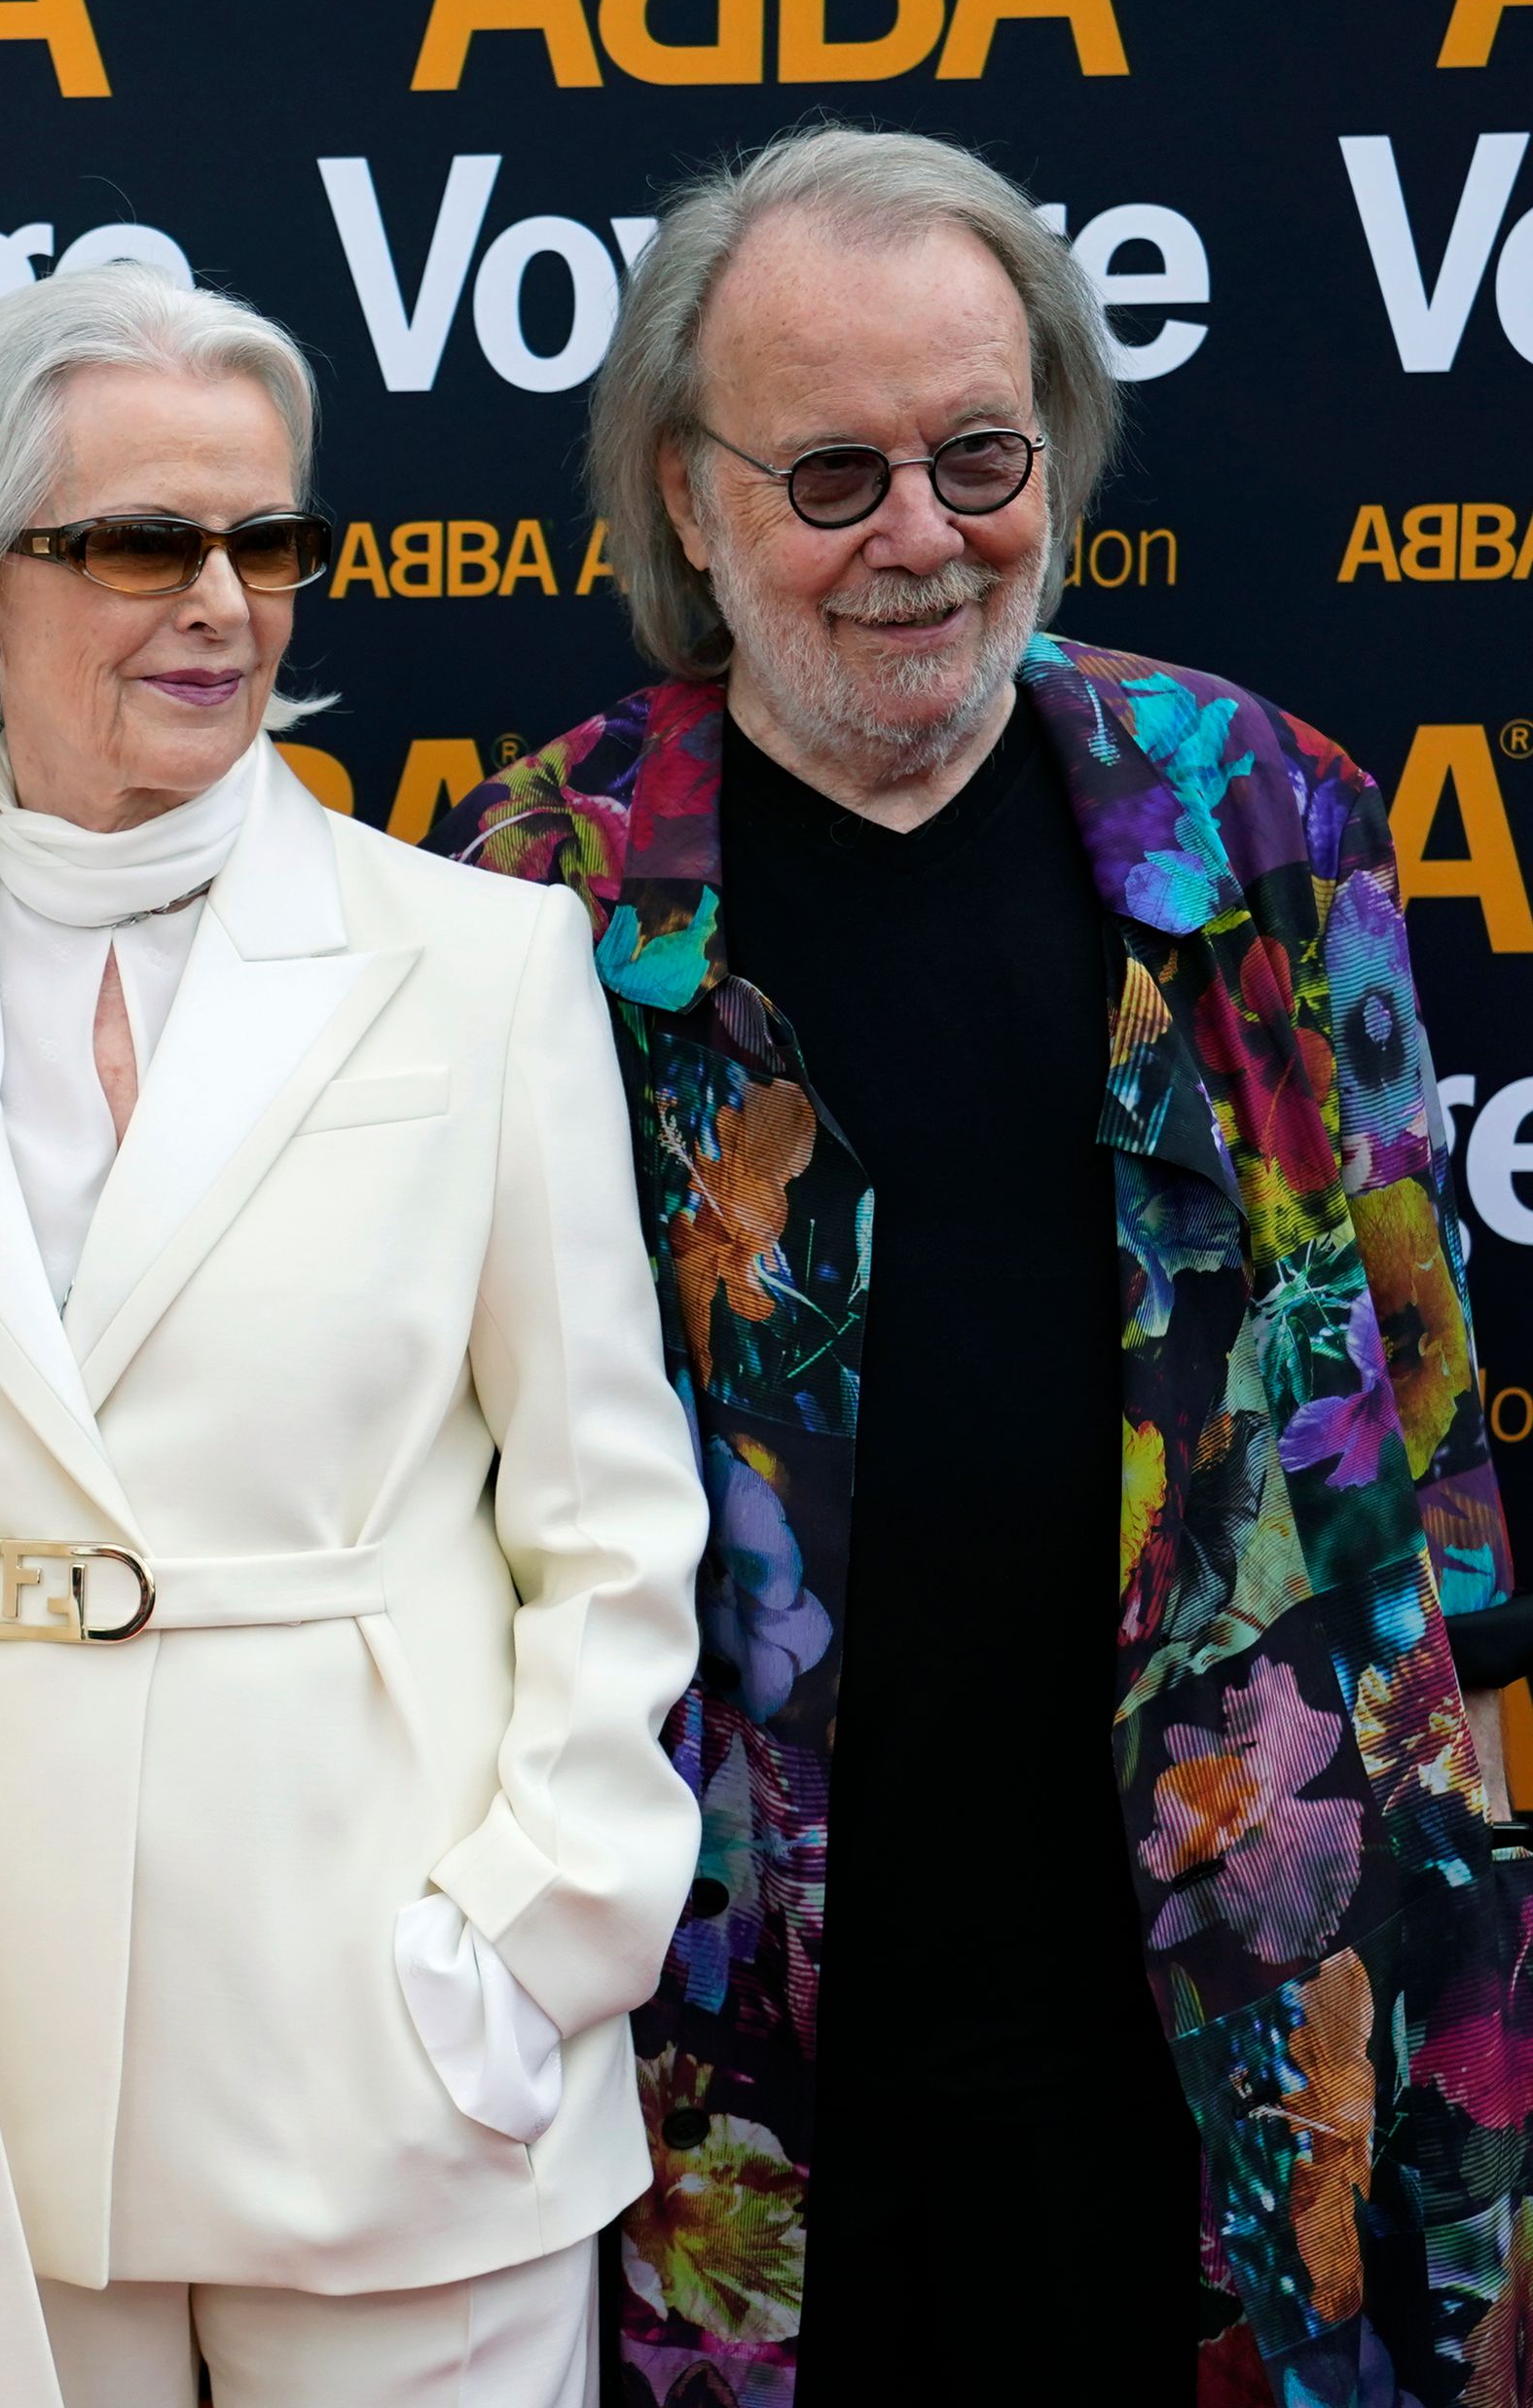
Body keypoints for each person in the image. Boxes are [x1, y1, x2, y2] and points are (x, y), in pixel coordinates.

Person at [434, 124, 1531, 2406]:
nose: (925, 535)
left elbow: (1418, 1418)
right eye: (834, 474)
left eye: (979, 452)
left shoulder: (1262, 812)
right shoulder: (532, 892)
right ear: (684, 492)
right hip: (731, 2054)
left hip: (1249, 2016)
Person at [0, 264, 704, 2408]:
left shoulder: (478, 958)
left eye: (265, 540)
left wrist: (526, 1953)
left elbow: (609, 1513)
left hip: (387, 2068)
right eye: (145, 542)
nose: (223, 603)